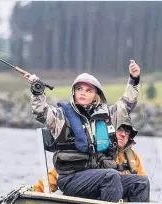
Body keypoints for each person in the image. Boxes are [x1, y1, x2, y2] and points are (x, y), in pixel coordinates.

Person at [24, 60, 148, 202]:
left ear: (96, 95)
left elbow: (127, 104)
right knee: (111, 176)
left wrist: (134, 79)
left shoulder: (107, 116)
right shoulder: (61, 116)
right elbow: (41, 112)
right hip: (71, 179)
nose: (83, 93)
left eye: (88, 90)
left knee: (141, 182)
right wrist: (37, 92)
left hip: (100, 176)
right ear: (74, 92)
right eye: (79, 89)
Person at [32, 116, 150, 202]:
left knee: (143, 181)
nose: (123, 134)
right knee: (111, 175)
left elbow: (139, 179)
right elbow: (58, 174)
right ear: (110, 131)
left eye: (127, 131)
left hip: (120, 198)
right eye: (120, 129)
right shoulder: (96, 148)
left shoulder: (132, 157)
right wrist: (35, 191)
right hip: (88, 195)